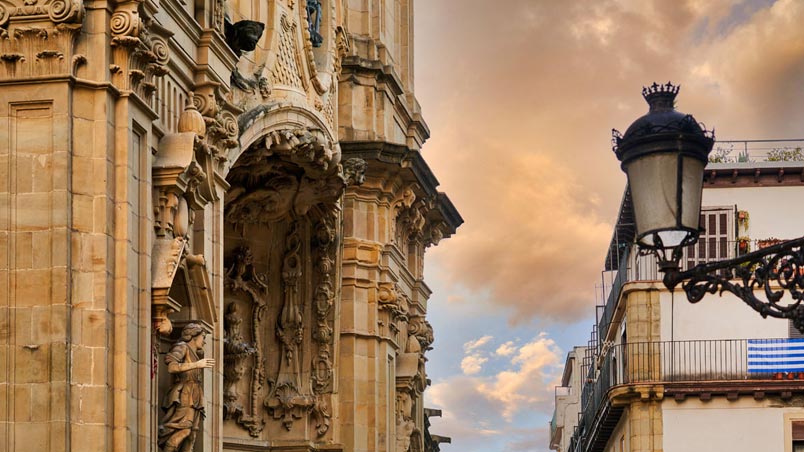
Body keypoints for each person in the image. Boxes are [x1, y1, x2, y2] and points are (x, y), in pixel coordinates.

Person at [158, 323, 215, 452]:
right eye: (203, 337)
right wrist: (196, 364)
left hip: (195, 394)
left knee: (192, 434)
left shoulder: (195, 353)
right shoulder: (182, 347)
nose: (204, 342)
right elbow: (172, 367)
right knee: (184, 429)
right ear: (193, 337)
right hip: (185, 392)